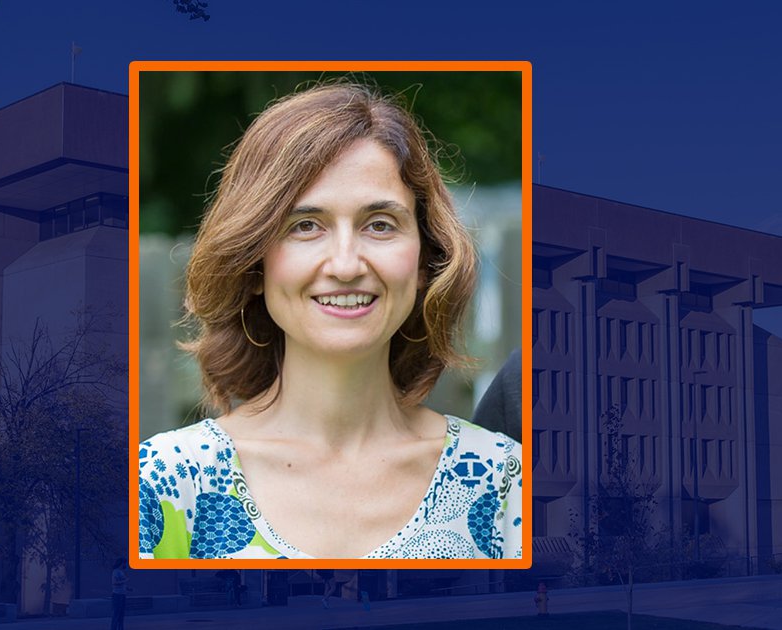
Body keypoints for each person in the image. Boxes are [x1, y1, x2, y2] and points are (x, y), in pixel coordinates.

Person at [137, 80, 522, 559]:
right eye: (305, 226)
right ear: (253, 263)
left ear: (426, 260)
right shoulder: (164, 483)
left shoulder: (506, 482)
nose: (345, 264)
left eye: (379, 224)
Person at [109, 558, 127, 630]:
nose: (125, 565)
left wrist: (127, 588)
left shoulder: (121, 571)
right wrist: (125, 580)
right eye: (124, 563)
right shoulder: (115, 572)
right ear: (120, 563)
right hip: (117, 595)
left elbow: (122, 583)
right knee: (116, 614)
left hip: (122, 594)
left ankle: (120, 628)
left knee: (121, 614)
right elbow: (114, 583)